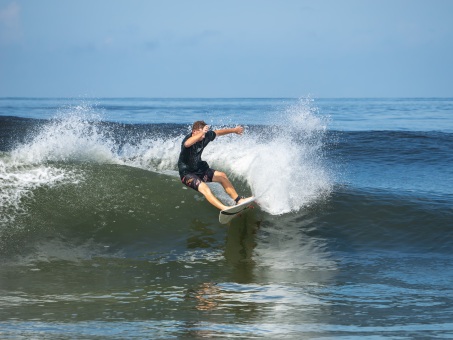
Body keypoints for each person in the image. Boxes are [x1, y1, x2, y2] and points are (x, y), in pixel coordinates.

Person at [178, 120, 250, 211]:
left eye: (204, 134)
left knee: (222, 176)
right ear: (194, 132)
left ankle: (238, 200)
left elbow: (218, 132)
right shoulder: (188, 140)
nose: (203, 136)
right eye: (201, 134)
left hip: (199, 168)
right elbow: (187, 144)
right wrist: (202, 133)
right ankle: (224, 208)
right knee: (205, 188)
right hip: (187, 173)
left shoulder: (205, 136)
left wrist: (234, 130)